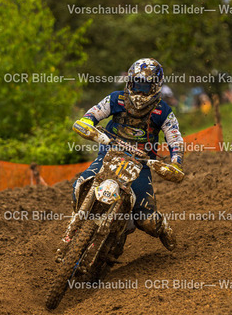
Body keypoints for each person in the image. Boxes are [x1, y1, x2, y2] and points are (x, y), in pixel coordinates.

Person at [72, 58, 184, 250]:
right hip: (109, 154)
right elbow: (93, 114)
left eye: (145, 86)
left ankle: (162, 227)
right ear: (129, 82)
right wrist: (87, 123)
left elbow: (175, 139)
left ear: (155, 87)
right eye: (136, 85)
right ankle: (78, 225)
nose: (139, 91)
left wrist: (176, 163)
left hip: (140, 164)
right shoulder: (116, 99)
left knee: (146, 221)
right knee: (79, 188)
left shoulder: (163, 111)